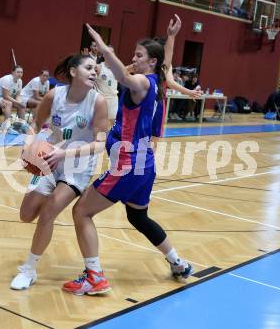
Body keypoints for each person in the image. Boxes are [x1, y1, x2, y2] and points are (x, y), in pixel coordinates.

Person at [63, 16, 196, 296]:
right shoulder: (155, 80)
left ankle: (95, 277)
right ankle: (178, 263)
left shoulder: (142, 84)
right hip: (144, 165)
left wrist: (101, 46)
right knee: (139, 218)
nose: (133, 58)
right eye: (133, 54)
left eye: (139, 55)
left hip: (127, 164)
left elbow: (124, 76)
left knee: (81, 211)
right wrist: (171, 37)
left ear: (151, 63)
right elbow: (164, 63)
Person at [10, 54, 108, 290]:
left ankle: (29, 270)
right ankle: (34, 257)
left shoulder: (98, 101)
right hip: (49, 162)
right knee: (26, 214)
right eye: (88, 68)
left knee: (49, 212)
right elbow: (34, 125)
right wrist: (29, 146)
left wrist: (63, 154)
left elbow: (100, 143)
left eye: (95, 69)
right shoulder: (54, 96)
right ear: (73, 71)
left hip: (77, 164)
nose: (94, 72)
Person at [0, 65, 28, 134]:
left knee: (21, 105)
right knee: (9, 103)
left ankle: (22, 125)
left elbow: (17, 95)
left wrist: (20, 102)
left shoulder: (20, 81)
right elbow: (5, 96)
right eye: (18, 72)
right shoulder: (7, 79)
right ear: (12, 72)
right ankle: (7, 127)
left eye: (21, 72)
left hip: (8, 98)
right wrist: (18, 102)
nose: (20, 74)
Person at [94, 46, 119, 127]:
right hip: (101, 101)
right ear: (103, 55)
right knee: (99, 127)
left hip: (114, 101)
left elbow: (130, 69)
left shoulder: (117, 68)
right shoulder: (98, 67)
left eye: (112, 52)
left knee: (111, 127)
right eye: (108, 52)